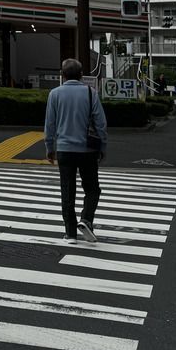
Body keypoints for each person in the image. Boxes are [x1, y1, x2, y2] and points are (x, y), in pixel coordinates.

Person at [44, 57, 107, 243]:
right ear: (81, 75)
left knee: (67, 189)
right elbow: (101, 124)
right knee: (92, 189)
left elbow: (50, 124)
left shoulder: (54, 94)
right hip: (88, 150)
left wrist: (50, 147)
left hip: (64, 149)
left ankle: (70, 233)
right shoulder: (91, 93)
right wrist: (102, 147)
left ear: (62, 75)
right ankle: (86, 219)